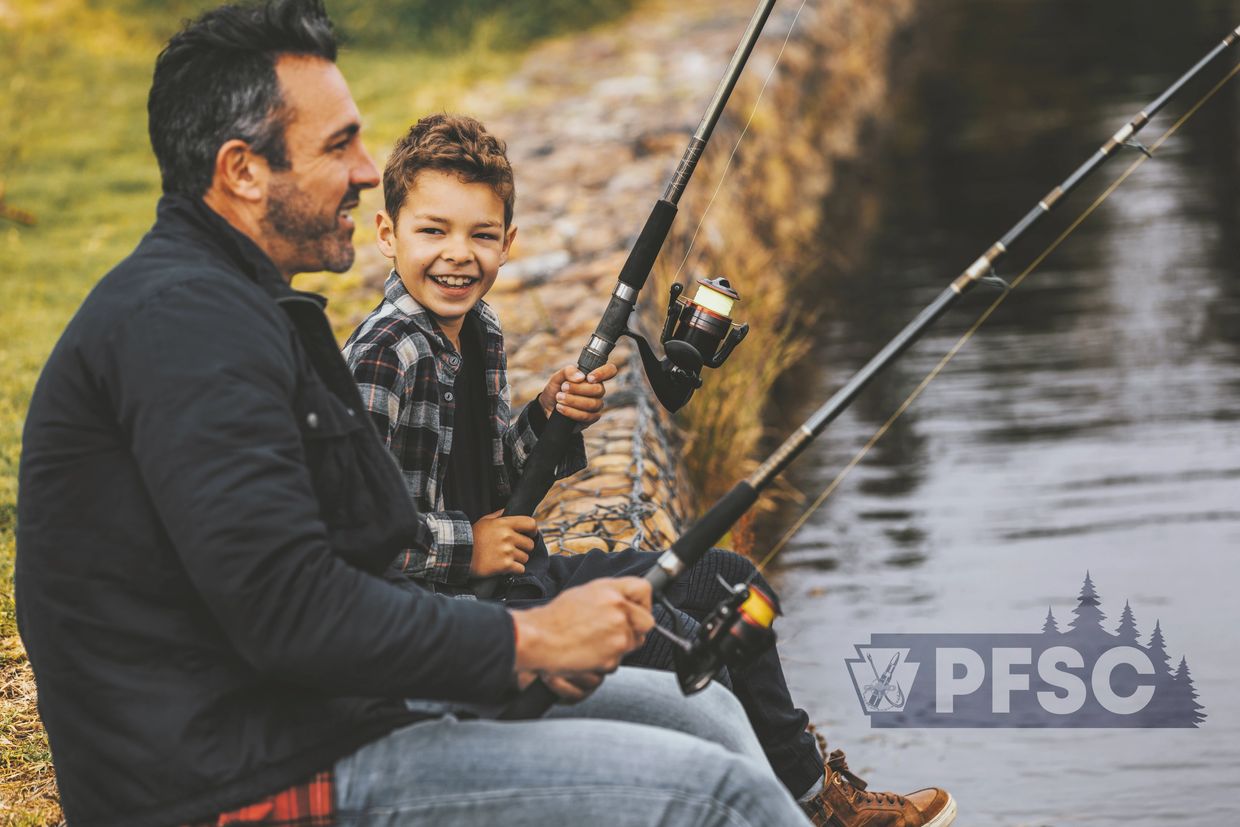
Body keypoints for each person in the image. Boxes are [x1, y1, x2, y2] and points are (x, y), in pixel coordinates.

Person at [13, 2, 814, 825]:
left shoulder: (245, 307)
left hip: (326, 710)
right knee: (721, 799)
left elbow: (350, 551)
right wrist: (529, 641)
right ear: (243, 170)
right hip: (231, 778)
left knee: (710, 715)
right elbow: (292, 605)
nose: (366, 170)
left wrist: (511, 636)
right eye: (339, 145)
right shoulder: (186, 328)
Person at [343, 114, 957, 827]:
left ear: (509, 243)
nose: (459, 255)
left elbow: (496, 483)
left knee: (734, 584)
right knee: (687, 645)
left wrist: (546, 416)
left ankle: (819, 800)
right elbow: (356, 529)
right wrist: (465, 544)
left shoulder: (478, 330)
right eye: (433, 231)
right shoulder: (385, 354)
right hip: (457, 617)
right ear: (387, 235)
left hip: (522, 576)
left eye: (481, 235)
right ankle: (764, 810)